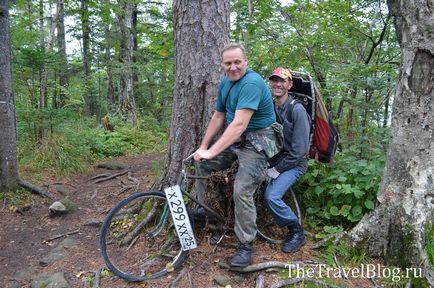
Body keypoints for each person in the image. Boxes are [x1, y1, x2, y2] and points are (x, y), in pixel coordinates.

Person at [193, 43, 281, 268]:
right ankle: (210, 216)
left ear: (246, 62)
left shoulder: (251, 82)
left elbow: (239, 124)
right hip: (238, 141)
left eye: (237, 62)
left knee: (241, 189)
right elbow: (218, 116)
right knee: (203, 166)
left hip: (258, 143)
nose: (233, 67)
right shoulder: (226, 82)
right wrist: (203, 148)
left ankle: (246, 243)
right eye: (228, 63)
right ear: (222, 65)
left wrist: (213, 150)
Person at [264, 67, 311, 253]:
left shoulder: (296, 109)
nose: (278, 84)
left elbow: (299, 151)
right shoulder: (272, 107)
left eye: (282, 81)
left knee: (271, 196)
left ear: (289, 84)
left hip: (294, 164)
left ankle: (296, 231)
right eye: (275, 80)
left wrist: (277, 170)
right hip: (276, 160)